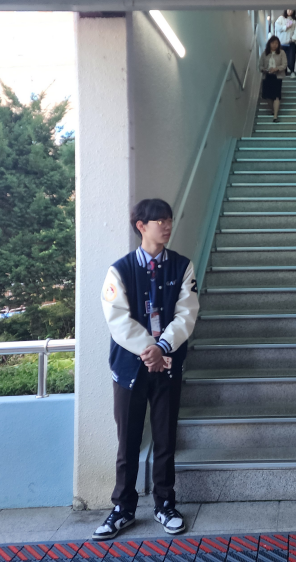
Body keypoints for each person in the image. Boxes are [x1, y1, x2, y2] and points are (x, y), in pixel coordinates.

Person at [93, 198, 199, 540]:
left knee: (165, 438)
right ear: (141, 226)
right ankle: (123, 509)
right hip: (129, 369)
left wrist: (162, 348)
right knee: (128, 441)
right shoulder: (119, 270)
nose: (167, 226)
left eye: (169, 220)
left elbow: (187, 313)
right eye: (159, 221)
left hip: (167, 365)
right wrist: (148, 349)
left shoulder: (182, 266)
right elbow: (117, 319)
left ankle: (165, 505)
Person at [259, 36, 288, 122]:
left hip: (277, 76)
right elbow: (260, 65)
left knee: (276, 96)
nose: (274, 45)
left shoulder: (282, 52)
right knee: (267, 96)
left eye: (276, 43)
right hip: (267, 76)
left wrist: (276, 69)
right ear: (269, 44)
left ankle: (275, 116)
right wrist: (264, 69)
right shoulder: (265, 53)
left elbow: (284, 64)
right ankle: (273, 110)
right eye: (272, 43)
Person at [274, 9, 296, 78]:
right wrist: (285, 27)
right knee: (282, 59)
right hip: (282, 43)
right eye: (289, 9)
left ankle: (292, 71)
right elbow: (277, 27)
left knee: (291, 58)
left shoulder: (295, 20)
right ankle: (284, 73)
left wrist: (293, 38)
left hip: (291, 43)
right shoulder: (281, 18)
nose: (290, 11)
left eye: (291, 10)